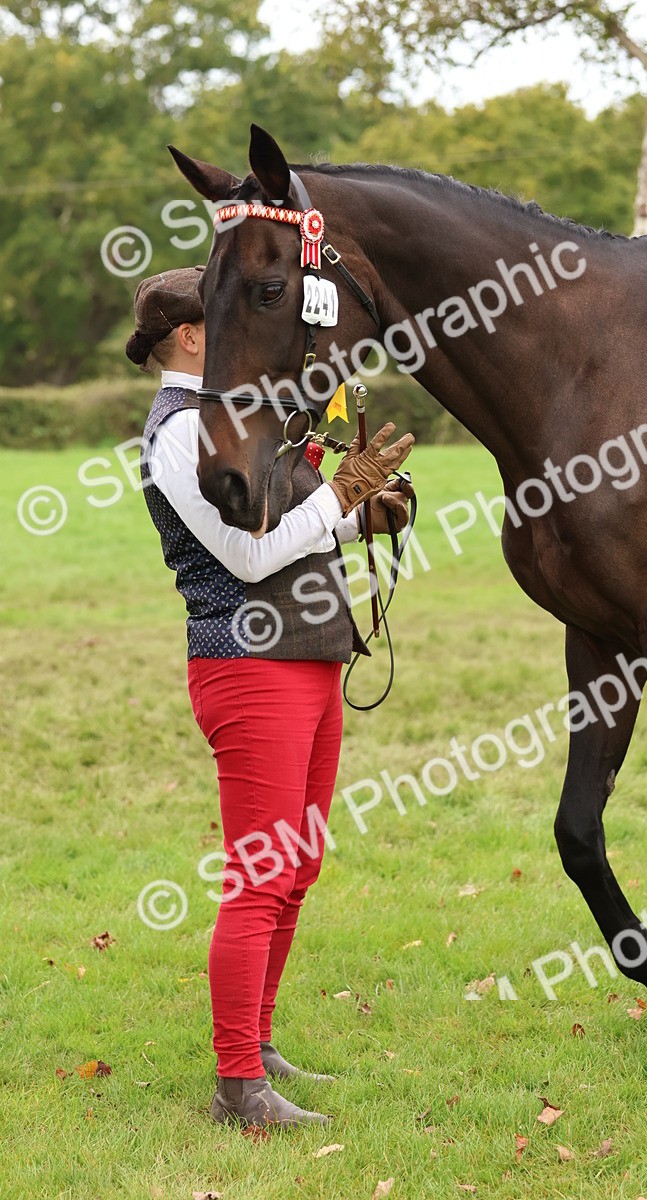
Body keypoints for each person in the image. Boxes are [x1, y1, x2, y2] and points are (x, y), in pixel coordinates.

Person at [126, 267, 414, 1129]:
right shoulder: (181, 436)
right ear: (189, 335)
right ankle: (237, 1086)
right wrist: (340, 494)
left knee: (298, 866)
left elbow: (284, 521)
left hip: (308, 659)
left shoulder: (230, 416)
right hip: (249, 670)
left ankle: (258, 1042)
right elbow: (248, 560)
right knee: (259, 877)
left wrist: (364, 516)